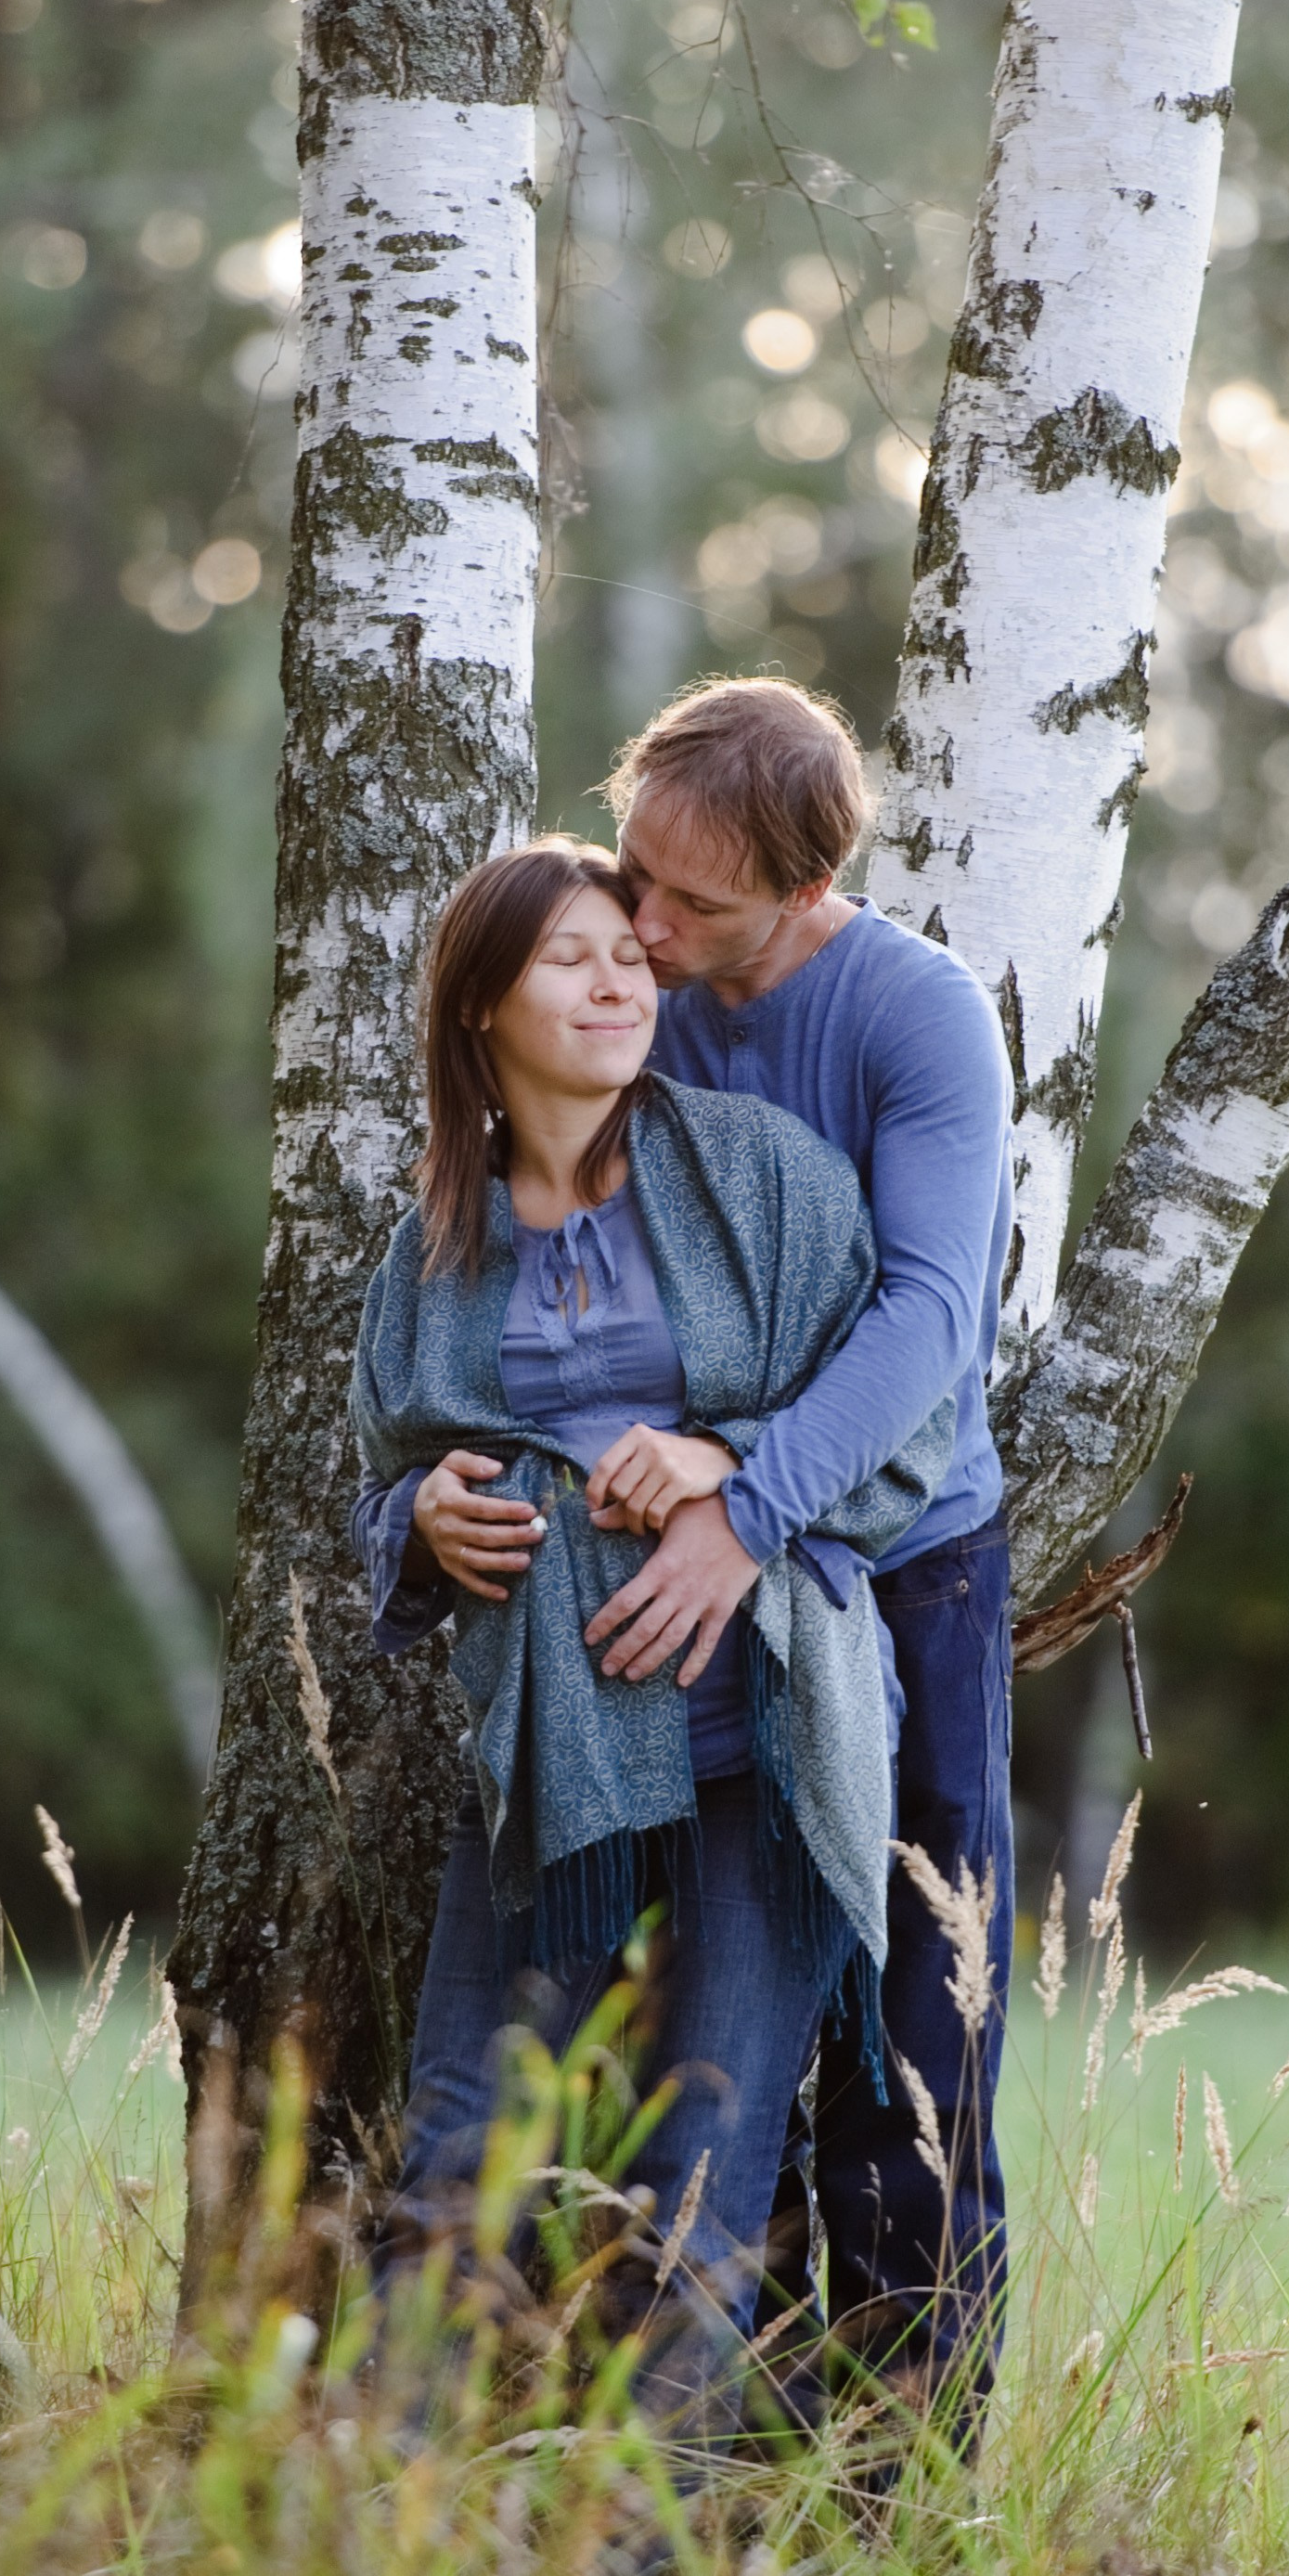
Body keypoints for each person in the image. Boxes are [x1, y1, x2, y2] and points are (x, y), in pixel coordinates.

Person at [349, 835, 949, 2436]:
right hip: (550, 1767)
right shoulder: (427, 1248)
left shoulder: (757, 1172)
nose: (623, 977)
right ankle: (375, 2531)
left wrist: (734, 1460)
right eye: (573, 956)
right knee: (461, 2154)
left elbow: (912, 1434)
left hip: (764, 1744)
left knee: (702, 2172)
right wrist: (415, 1522)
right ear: (482, 1002)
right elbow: (376, 1476)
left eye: (632, 949)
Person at [581, 678, 1016, 2432]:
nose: (647, 925)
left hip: (907, 1564)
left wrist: (746, 1506)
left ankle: (904, 2481)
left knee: (919, 2014)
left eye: (693, 902)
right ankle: (715, 2461)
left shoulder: (914, 1016)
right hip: (684, 1547)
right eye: (633, 875)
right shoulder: (633, 986)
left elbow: (932, 1315)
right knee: (713, 2004)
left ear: (805, 886)